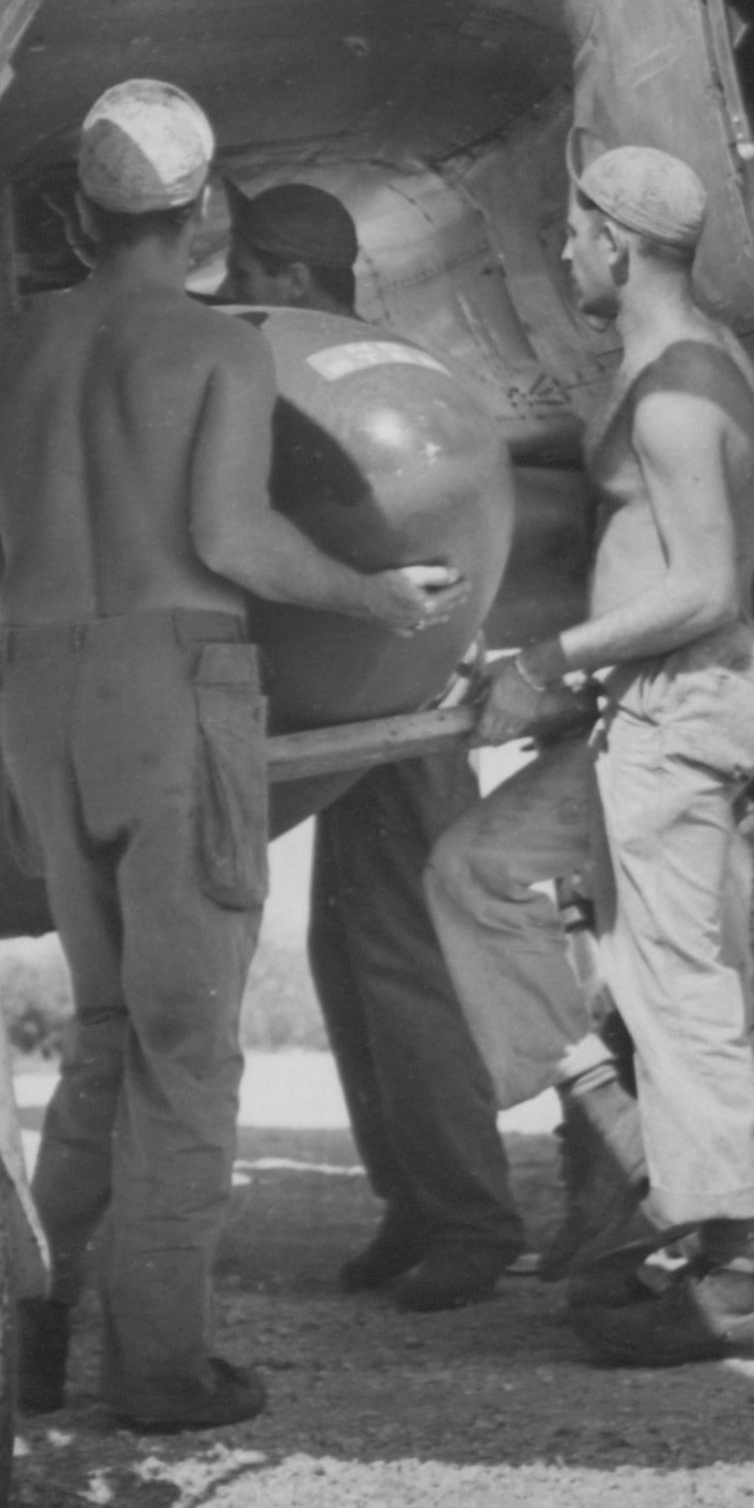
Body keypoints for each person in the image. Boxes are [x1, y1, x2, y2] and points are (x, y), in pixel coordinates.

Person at [0, 83, 468, 1432]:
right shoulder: (217, 350)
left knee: (101, 1029)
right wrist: (378, 599)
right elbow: (232, 540)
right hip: (167, 686)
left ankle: (28, 1319)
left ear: (83, 214)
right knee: (185, 1045)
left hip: (37, 690)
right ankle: (159, 1365)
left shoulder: (27, 346)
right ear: (198, 211)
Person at [425, 144, 754, 1367]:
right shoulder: (671, 365)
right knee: (474, 874)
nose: (564, 251)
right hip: (640, 707)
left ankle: (734, 1276)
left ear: (616, 245)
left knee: (676, 981)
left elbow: (703, 587)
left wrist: (550, 659)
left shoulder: (680, 391)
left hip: (678, 710)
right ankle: (628, 1150)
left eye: (574, 232)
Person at [214, 181, 527, 1313]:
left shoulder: (314, 371)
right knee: (351, 958)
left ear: (290, 281)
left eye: (245, 273)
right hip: (367, 700)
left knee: (401, 959)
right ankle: (413, 1195)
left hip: (394, 710)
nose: (229, 293)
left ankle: (469, 1216)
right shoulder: (376, 363)